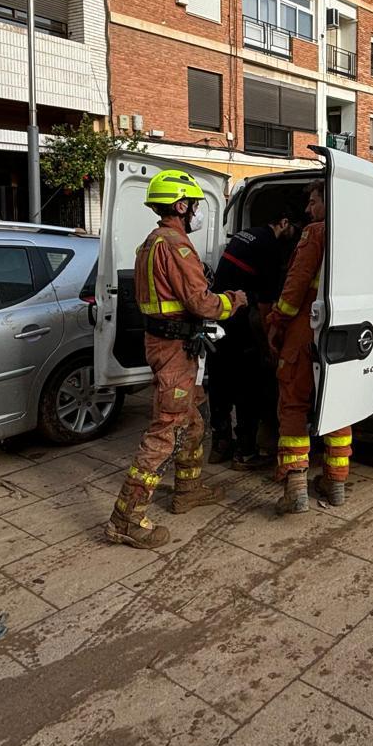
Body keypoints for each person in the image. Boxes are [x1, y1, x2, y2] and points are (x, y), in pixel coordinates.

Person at [106, 169, 246, 550]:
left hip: (167, 345)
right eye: (196, 205)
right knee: (164, 432)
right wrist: (233, 301)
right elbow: (202, 303)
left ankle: (188, 489)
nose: (199, 212)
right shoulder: (177, 247)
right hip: (174, 353)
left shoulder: (150, 243)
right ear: (181, 206)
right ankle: (126, 518)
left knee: (194, 421)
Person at [267, 183, 351, 513]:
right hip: (347, 331)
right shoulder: (364, 232)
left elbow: (296, 285)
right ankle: (336, 481)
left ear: (327, 202)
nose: (308, 209)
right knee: (340, 405)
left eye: (313, 201)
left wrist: (277, 320)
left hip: (307, 329)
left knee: (293, 403)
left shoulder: (316, 232)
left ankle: (296, 485)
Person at [207, 207, 301, 467]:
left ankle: (220, 443)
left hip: (219, 319)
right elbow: (264, 308)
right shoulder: (269, 246)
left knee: (219, 382)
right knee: (247, 386)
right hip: (239, 321)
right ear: (283, 221)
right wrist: (268, 345)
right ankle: (246, 451)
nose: (293, 236)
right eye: (292, 230)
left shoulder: (244, 235)